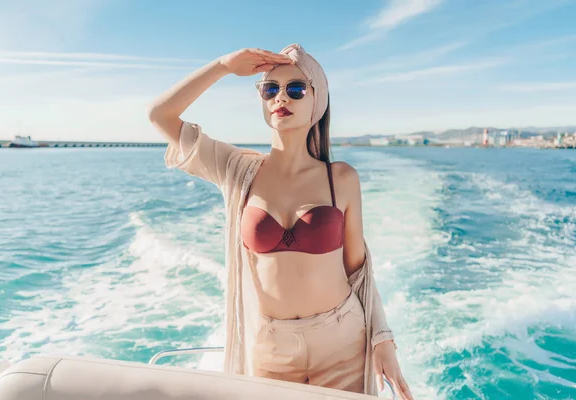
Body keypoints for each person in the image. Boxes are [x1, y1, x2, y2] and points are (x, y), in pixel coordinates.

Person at [148, 44, 413, 399]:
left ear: (317, 101)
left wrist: (383, 339)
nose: (280, 98)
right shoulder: (236, 170)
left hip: (343, 341)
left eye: (296, 88)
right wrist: (223, 66)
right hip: (270, 348)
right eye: (270, 89)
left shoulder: (342, 179)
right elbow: (159, 115)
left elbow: (359, 271)